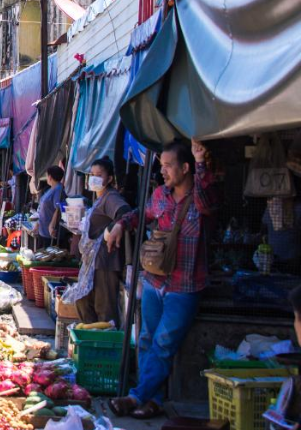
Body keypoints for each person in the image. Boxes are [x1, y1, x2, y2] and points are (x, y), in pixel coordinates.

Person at [107, 140, 217, 420]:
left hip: (185, 285)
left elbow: (208, 201)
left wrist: (202, 161)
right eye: (161, 165)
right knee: (146, 339)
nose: (163, 170)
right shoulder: (159, 195)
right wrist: (122, 223)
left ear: (185, 168)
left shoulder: (201, 196)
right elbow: (141, 215)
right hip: (155, 281)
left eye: (168, 165)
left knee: (164, 343)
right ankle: (152, 400)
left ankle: (136, 396)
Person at [62, 158, 132, 326]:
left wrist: (115, 229)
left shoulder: (110, 197)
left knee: (104, 308)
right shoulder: (100, 198)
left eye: (99, 175)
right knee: (84, 301)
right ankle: (88, 337)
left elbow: (125, 212)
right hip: (93, 263)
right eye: (92, 174)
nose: (94, 178)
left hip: (105, 261)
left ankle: (104, 344)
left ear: (109, 179)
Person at [36, 165, 67, 248]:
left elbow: (58, 209)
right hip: (43, 230)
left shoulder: (58, 189)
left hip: (50, 233)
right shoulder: (52, 188)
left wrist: (52, 225)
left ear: (50, 176)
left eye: (47, 175)